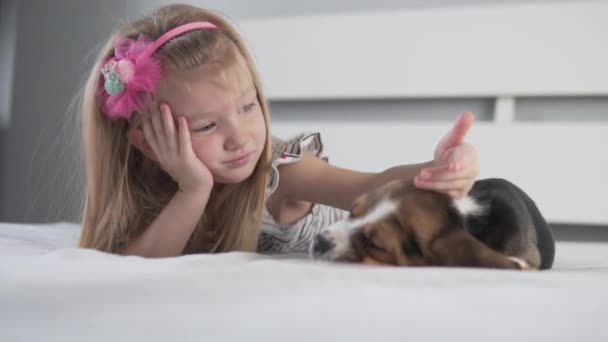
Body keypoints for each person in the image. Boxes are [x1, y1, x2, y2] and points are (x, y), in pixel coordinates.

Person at [78, 4, 479, 257]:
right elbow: (136, 269)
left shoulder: (279, 171)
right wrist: (193, 189)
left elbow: (374, 185)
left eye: (248, 106)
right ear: (148, 143)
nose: (240, 138)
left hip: (421, 242)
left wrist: (442, 166)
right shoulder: (147, 189)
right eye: (206, 125)